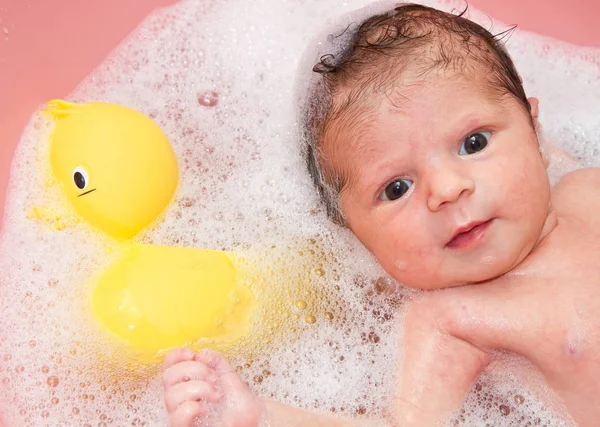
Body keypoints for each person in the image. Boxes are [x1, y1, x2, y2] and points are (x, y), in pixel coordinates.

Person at [162, 3, 599, 426]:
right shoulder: (451, 323)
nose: (447, 190)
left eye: (474, 143)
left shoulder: (586, 188)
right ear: (354, 234)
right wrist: (262, 417)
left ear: (536, 134)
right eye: (396, 188)